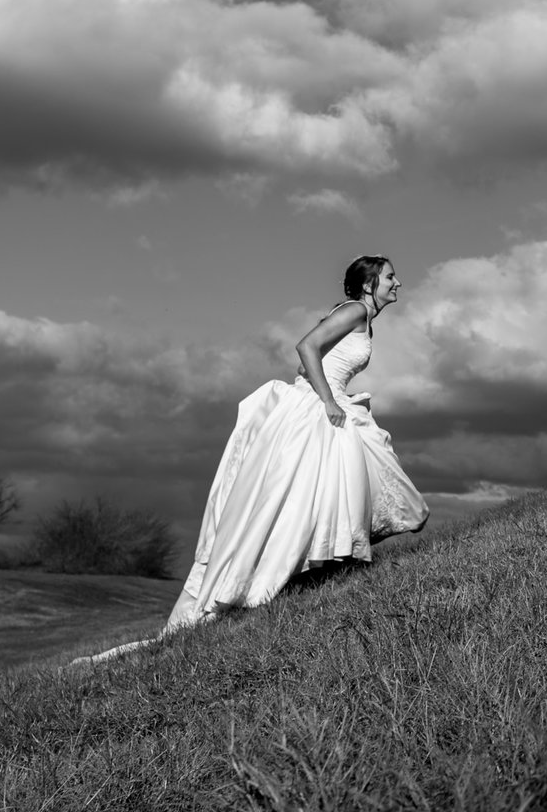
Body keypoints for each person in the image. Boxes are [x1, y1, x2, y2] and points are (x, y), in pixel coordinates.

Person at [161, 255, 429, 632]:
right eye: (390, 276)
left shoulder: (365, 320)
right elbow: (306, 349)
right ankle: (302, 572)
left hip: (329, 403)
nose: (397, 282)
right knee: (300, 497)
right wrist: (329, 401)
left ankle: (327, 565)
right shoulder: (354, 310)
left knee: (350, 490)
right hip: (316, 406)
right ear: (368, 285)